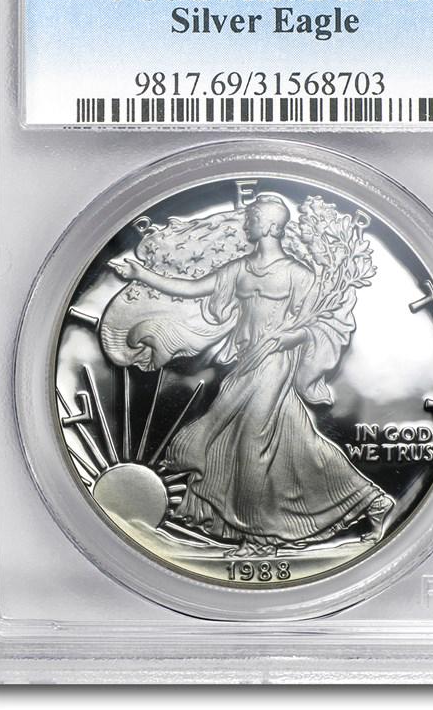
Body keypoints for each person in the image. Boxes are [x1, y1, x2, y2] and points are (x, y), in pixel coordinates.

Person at [111, 194, 393, 556]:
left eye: (253, 219)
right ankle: (373, 501)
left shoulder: (297, 274)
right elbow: (193, 288)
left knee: (250, 443)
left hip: (275, 362)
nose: (247, 224)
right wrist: (141, 274)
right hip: (246, 362)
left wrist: (291, 337)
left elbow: (321, 323)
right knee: (298, 444)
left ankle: (260, 538)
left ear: (271, 226)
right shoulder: (240, 269)